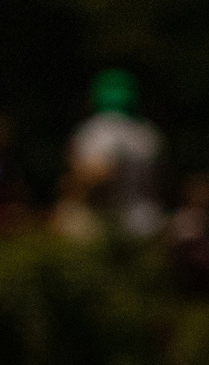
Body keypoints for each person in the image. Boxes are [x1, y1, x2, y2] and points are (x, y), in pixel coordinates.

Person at [64, 68, 166, 240]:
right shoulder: (148, 132)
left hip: (111, 229)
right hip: (147, 223)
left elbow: (97, 175)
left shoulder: (98, 131)